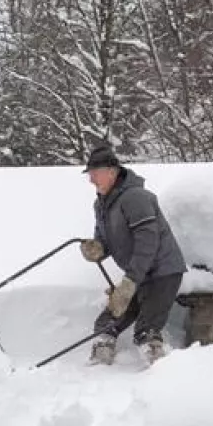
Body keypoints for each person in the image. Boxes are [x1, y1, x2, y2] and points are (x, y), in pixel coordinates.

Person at [79, 144, 187, 365]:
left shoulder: (136, 197)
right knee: (108, 320)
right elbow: (104, 240)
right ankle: (101, 355)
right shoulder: (101, 204)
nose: (91, 180)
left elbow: (148, 242)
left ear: (112, 171)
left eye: (94, 174)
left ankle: (162, 370)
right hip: (138, 274)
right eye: (89, 175)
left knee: (146, 329)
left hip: (162, 273)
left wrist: (129, 283)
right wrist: (97, 249)